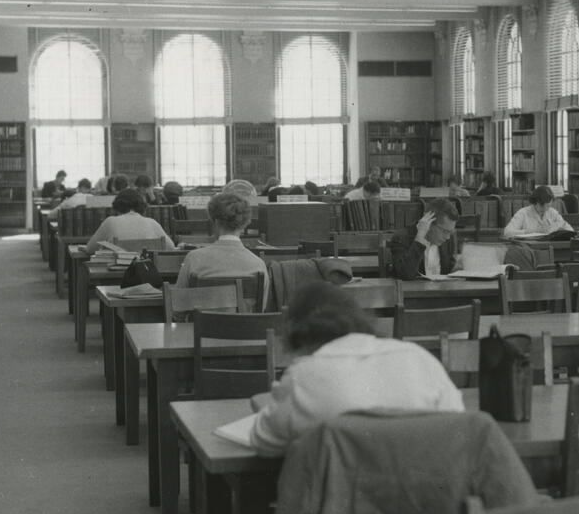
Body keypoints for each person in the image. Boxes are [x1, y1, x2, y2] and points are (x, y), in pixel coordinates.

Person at [248, 281, 464, 455]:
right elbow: (457, 425)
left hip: (338, 505)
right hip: (424, 503)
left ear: (297, 334)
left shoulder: (304, 375)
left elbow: (262, 440)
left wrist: (275, 403)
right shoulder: (417, 356)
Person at [175, 192, 269, 309]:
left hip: (203, 326)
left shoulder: (194, 258)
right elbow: (262, 308)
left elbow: (178, 307)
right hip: (246, 326)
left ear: (214, 221)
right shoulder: (258, 264)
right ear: (244, 224)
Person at [82, 189, 175, 254]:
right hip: (148, 277)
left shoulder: (110, 222)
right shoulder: (152, 223)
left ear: (117, 205)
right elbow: (171, 248)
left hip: (117, 277)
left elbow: (90, 249)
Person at [388, 198, 459, 280]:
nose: (447, 237)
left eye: (451, 232)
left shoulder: (448, 240)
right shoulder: (402, 238)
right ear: (429, 222)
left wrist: (458, 268)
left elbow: (448, 271)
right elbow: (405, 275)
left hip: (441, 291)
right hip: (413, 292)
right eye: (445, 231)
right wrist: (420, 238)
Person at [502, 186, 573, 239]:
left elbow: (570, 230)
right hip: (530, 249)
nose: (545, 209)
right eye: (542, 206)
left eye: (548, 206)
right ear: (535, 202)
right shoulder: (523, 213)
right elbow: (507, 232)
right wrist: (530, 231)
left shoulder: (552, 212)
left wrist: (558, 230)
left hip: (551, 247)